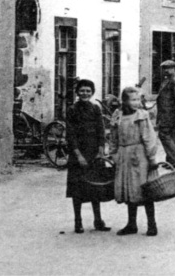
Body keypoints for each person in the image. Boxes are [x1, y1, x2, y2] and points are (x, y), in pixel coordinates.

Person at [111, 86, 159, 236]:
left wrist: (151, 158)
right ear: (124, 101)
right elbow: (113, 137)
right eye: (133, 100)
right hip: (124, 155)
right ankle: (131, 224)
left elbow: (149, 138)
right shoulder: (117, 115)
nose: (136, 103)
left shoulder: (142, 115)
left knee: (145, 189)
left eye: (138, 99)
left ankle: (152, 224)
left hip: (139, 156)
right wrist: (113, 155)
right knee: (129, 190)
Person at [65, 79, 111, 234]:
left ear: (92, 92)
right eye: (82, 90)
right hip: (78, 154)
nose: (85, 93)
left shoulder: (95, 108)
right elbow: (70, 135)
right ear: (77, 92)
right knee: (77, 190)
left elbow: (101, 130)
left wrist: (100, 150)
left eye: (88, 91)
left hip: (93, 154)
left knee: (96, 188)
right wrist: (78, 155)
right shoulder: (72, 110)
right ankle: (78, 222)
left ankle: (98, 220)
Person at [155, 60, 175, 167]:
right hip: (166, 113)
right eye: (164, 69)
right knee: (170, 136)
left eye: (168, 68)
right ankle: (171, 161)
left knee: (163, 134)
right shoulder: (168, 79)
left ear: (173, 68)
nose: (166, 71)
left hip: (169, 113)